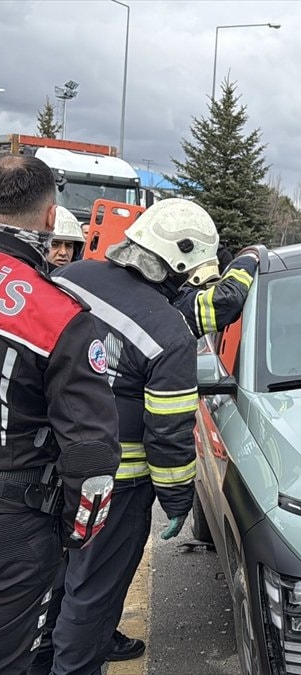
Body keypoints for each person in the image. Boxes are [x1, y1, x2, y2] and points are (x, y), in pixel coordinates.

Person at [40, 198, 219, 675]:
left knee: (51, 578)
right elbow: (168, 435)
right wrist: (179, 500)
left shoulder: (71, 279)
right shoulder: (171, 335)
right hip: (113, 488)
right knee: (94, 593)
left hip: (43, 465)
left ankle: (43, 661)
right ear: (181, 267)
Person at [0, 156, 120, 675]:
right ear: (51, 219)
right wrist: (80, 533)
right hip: (18, 515)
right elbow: (91, 455)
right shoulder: (59, 316)